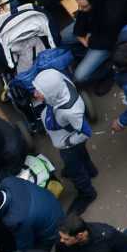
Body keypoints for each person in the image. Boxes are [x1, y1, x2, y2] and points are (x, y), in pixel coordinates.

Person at [33, 69, 97, 214]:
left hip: (68, 143)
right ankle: (90, 170)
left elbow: (86, 133)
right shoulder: (60, 83)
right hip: (69, 134)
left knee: (74, 169)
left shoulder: (71, 111)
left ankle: (87, 193)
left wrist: (67, 143)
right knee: (81, 153)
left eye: (39, 91)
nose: (35, 94)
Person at [0, 177, 64, 252]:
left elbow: (25, 243)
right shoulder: (8, 181)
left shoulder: (14, 220)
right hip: (50, 202)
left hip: (53, 229)